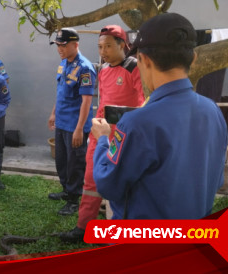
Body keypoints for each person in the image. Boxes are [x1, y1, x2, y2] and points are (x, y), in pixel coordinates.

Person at [92, 13, 227, 220]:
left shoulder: (136, 123)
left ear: (143, 60)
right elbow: (216, 180)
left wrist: (102, 139)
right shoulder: (214, 112)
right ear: (193, 58)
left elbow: (108, 185)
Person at [60, 25, 145, 242]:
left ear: (122, 45)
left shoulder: (134, 67)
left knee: (122, 183)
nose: (103, 51)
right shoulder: (104, 69)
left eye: (108, 46)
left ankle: (119, 231)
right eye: (99, 46)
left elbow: (144, 104)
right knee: (91, 180)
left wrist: (122, 121)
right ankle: (83, 226)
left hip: (122, 138)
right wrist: (94, 130)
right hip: (100, 136)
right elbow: (102, 103)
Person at [47, 28, 95, 216]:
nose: (60, 48)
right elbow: (60, 93)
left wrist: (79, 128)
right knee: (62, 161)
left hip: (76, 125)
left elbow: (87, 101)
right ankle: (66, 190)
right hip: (62, 122)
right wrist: (53, 114)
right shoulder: (63, 64)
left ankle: (74, 200)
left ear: (76, 44)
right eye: (58, 45)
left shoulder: (85, 68)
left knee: (75, 163)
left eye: (63, 45)